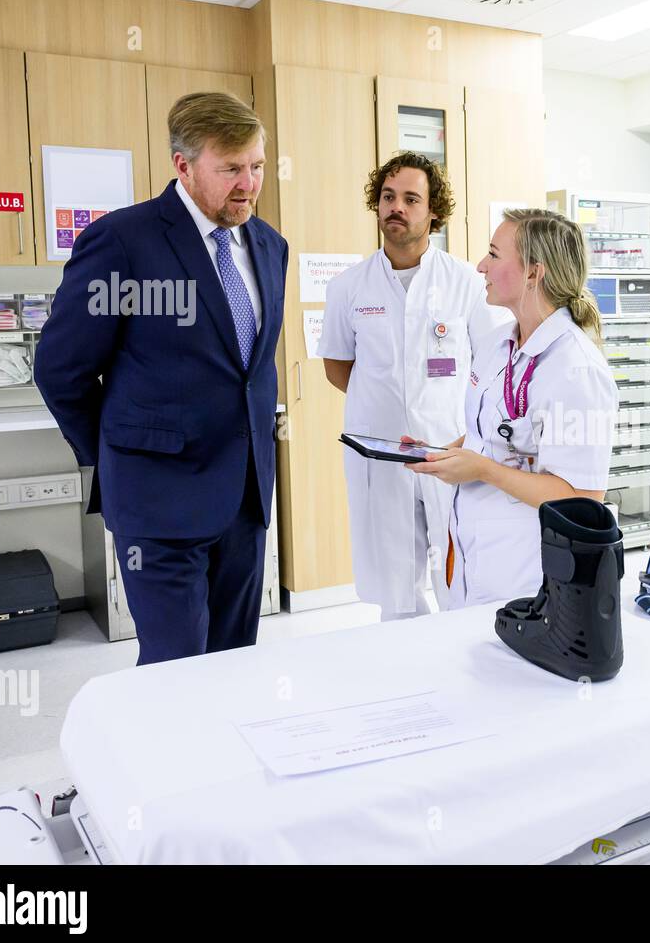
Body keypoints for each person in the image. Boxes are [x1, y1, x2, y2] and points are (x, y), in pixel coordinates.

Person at [34, 92, 288, 665]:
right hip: (158, 504)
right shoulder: (124, 241)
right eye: (230, 169)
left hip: (245, 500)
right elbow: (61, 368)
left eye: (257, 166)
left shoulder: (270, 246)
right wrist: (118, 451)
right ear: (183, 164)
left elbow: (250, 370)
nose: (248, 183)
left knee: (234, 661)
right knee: (175, 670)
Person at [318, 153, 507, 620]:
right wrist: (386, 404)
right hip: (380, 456)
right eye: (387, 197)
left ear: (433, 212)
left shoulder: (466, 282)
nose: (395, 207)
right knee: (395, 588)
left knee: (457, 575)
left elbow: (492, 366)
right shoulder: (349, 287)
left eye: (410, 198)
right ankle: (404, 669)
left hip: (449, 450)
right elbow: (338, 367)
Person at [408, 208, 618, 608]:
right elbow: (489, 433)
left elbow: (583, 498)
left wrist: (482, 469)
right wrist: (442, 454)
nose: (481, 265)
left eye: (494, 254)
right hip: (472, 551)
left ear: (532, 274)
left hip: (523, 570)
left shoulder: (576, 369)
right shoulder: (496, 345)